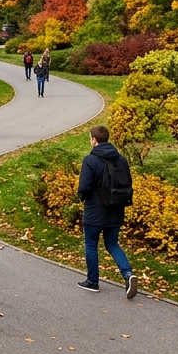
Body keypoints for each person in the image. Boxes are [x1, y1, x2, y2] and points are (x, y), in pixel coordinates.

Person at [77, 125, 138, 299]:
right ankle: (128, 274)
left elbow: (84, 187)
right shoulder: (121, 160)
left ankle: (92, 281)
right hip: (116, 209)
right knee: (112, 244)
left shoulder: (90, 160)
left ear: (94, 140)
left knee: (91, 244)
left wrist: (82, 196)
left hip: (95, 210)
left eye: (90, 138)